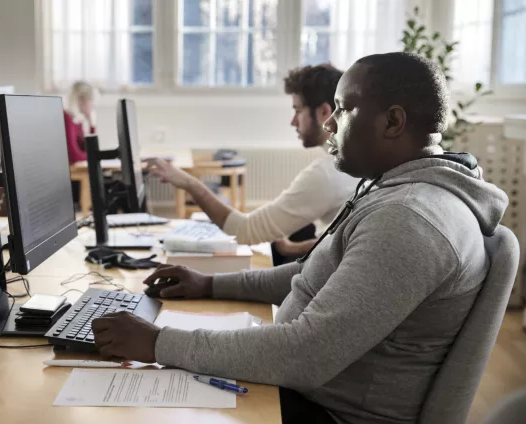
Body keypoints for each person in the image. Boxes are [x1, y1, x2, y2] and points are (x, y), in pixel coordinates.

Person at [90, 52, 509, 424]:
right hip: (302, 390)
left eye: (342, 110)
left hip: (324, 409)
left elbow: (304, 356)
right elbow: (311, 273)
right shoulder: (398, 192)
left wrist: (159, 343)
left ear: (393, 121)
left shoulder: (409, 219)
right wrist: (211, 284)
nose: (329, 122)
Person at [147, 64, 358, 257]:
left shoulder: (328, 174)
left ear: (324, 112)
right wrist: (290, 247)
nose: (293, 122)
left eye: (298, 110)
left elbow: (244, 231)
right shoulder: (354, 163)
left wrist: (189, 183)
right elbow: (342, 242)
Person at [64, 81, 96, 165]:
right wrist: (94, 155)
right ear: (81, 99)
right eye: (91, 101)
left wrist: (91, 123)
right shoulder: (66, 118)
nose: (92, 105)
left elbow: (88, 149)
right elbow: (74, 157)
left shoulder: (76, 121)